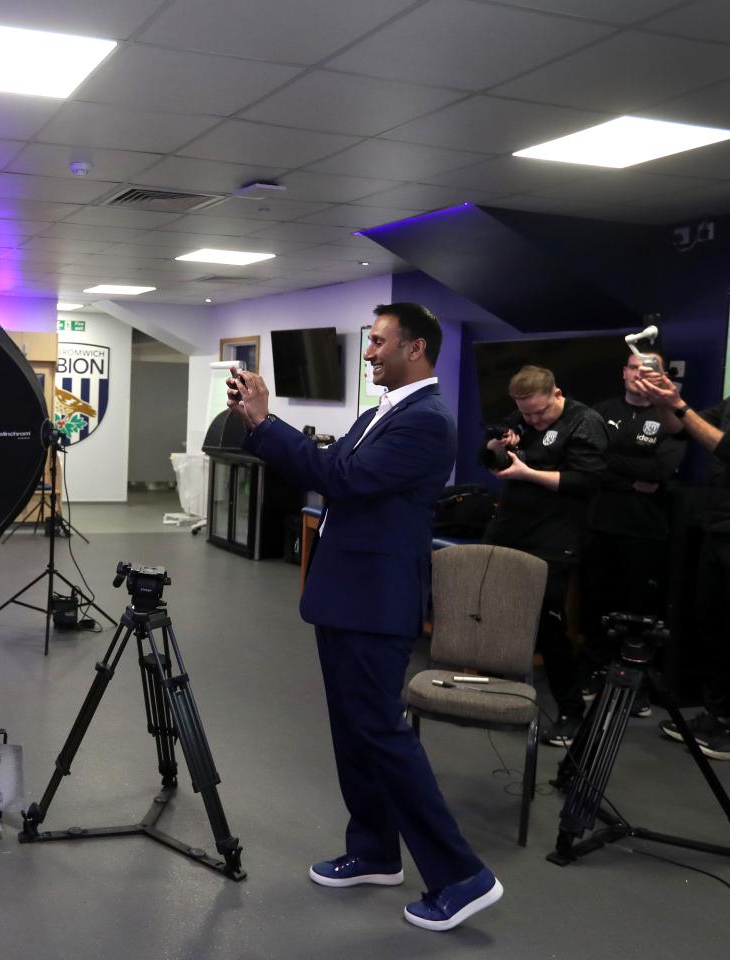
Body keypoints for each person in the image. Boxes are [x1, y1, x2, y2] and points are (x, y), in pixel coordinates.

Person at [228, 303, 500, 933]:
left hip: (375, 601)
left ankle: (462, 876)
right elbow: (336, 472)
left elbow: (342, 478)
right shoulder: (386, 410)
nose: (370, 352)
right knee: (353, 732)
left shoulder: (426, 419)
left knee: (381, 733)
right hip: (347, 595)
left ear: (416, 348)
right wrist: (264, 427)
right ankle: (375, 850)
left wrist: (267, 423)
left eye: (379, 342)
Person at [481, 366, 607, 748]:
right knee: (495, 605)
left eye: (540, 412)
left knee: (549, 623)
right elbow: (490, 456)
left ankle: (570, 710)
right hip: (510, 525)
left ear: (557, 394)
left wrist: (529, 472)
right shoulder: (520, 416)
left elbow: (587, 481)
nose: (533, 420)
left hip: (555, 533)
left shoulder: (584, 422)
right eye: (526, 413)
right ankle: (500, 692)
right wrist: (496, 446)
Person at [580, 352, 687, 717]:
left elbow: (660, 470)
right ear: (624, 373)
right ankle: (596, 672)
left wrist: (613, 464)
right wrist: (630, 479)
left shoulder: (670, 416)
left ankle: (635, 685)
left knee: (638, 611)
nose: (640, 374)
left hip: (645, 531)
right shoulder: (600, 411)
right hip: (599, 524)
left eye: (648, 369)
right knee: (596, 604)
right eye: (634, 368)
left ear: (662, 376)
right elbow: (590, 461)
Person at [636, 371, 730, 760]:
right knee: (714, 626)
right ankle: (718, 714)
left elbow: (724, 446)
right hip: (718, 527)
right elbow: (680, 426)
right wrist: (663, 401)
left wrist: (677, 404)